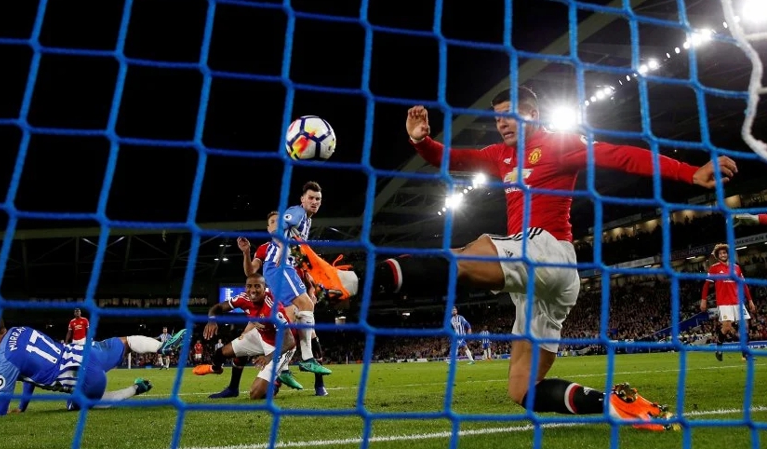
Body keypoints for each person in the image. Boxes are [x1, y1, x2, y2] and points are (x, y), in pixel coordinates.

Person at [366, 86, 734, 430]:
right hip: (537, 285)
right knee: (523, 390)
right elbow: (452, 159)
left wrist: (689, 172)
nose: (503, 123)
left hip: (548, 250)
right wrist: (421, 140)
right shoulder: (499, 155)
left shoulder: (559, 144)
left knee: (465, 255)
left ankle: (358, 281)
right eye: (497, 118)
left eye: (510, 115)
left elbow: (619, 155)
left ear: (534, 114)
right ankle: (620, 406)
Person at [0, 311, 186, 416]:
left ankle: (135, 388)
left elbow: (0, 408)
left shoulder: (4, 360)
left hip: (83, 379)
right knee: (126, 342)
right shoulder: (21, 330)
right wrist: (23, 407)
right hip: (85, 351)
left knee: (78, 404)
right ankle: (160, 346)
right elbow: (28, 372)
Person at [237, 210, 329, 396]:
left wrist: (311, 292)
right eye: (272, 221)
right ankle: (280, 376)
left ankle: (319, 384)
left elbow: (308, 274)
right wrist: (246, 253)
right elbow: (250, 272)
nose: (277, 224)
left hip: (297, 294)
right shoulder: (264, 249)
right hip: (279, 299)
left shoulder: (295, 245)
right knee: (283, 338)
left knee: (310, 337)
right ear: (268, 228)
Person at [194, 274, 303, 400]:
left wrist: (268, 357)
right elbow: (217, 307)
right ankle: (229, 384)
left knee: (256, 395)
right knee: (221, 353)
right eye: (249, 286)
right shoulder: (243, 298)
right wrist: (212, 320)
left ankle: (276, 381)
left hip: (280, 345)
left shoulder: (273, 308)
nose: (252, 290)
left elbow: (289, 342)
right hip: (261, 334)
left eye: (257, 286)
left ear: (264, 288)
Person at [261, 182, 331, 376]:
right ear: (302, 199)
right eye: (311, 198)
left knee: (291, 316)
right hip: (280, 266)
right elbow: (280, 226)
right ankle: (308, 359)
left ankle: (282, 368)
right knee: (307, 305)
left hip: (284, 267)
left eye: (318, 199)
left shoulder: (307, 221)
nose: (315, 202)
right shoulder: (298, 213)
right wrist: (282, 247)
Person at [700, 243, 756, 361]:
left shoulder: (736, 267)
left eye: (724, 252)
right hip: (724, 303)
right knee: (726, 327)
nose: (723, 254)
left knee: (745, 326)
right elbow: (706, 285)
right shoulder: (714, 268)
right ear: (717, 255)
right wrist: (703, 300)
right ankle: (719, 348)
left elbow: (744, 285)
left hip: (738, 301)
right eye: (720, 253)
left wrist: (750, 300)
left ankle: (745, 355)